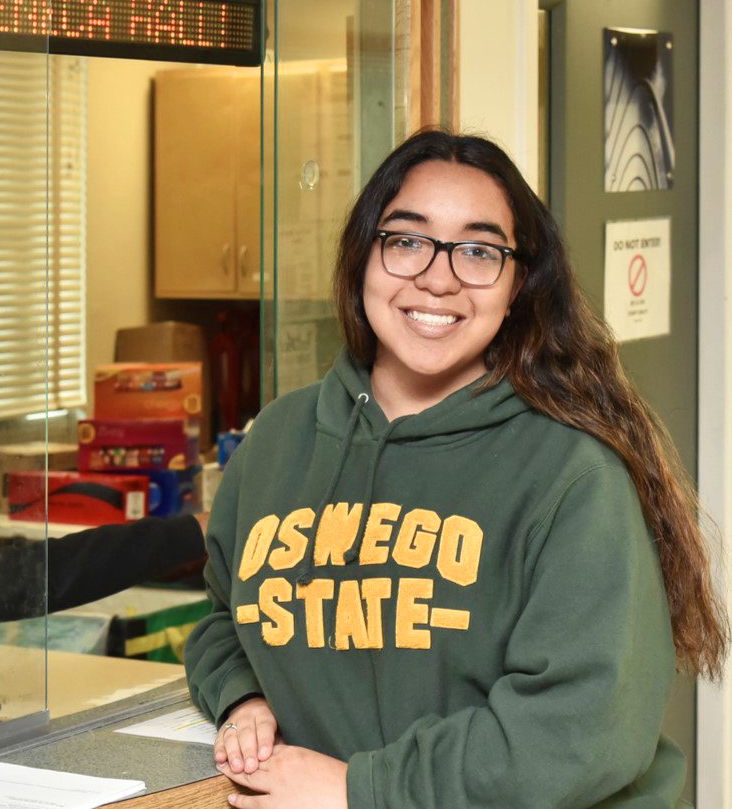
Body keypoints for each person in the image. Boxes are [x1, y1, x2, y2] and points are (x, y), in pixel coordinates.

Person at [184, 130, 728, 809]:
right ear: (363, 258)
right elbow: (219, 615)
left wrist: (362, 788)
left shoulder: (571, 473)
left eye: (478, 250)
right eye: (407, 240)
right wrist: (244, 695)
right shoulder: (278, 443)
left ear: (518, 282)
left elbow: (580, 729)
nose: (437, 277)